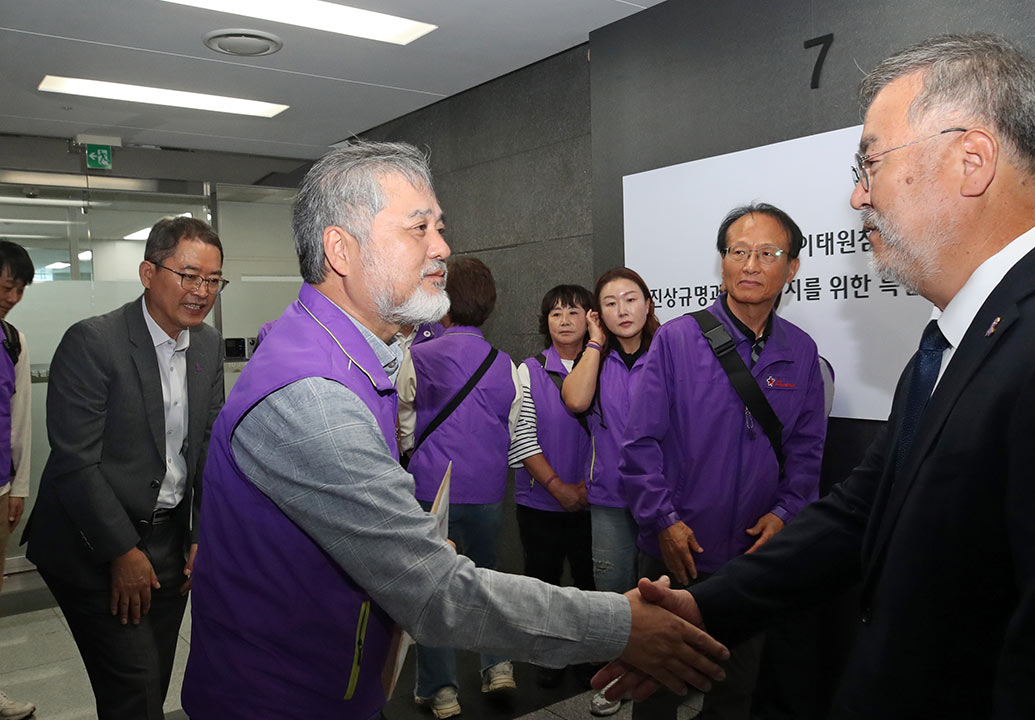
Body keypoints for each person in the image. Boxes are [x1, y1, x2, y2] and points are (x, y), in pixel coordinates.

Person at [598, 32, 1035, 718]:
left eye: (870, 162)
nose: (856, 196)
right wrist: (702, 606)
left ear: (972, 161)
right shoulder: (954, 342)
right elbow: (859, 513)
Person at [181, 141, 727, 720]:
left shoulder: (354, 356)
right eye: (418, 229)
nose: (442, 247)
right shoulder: (313, 394)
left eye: (439, 227)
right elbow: (437, 592)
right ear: (340, 248)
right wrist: (623, 626)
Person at [618, 204, 827, 720]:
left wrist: (787, 515)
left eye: (768, 253)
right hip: (678, 549)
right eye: (739, 252)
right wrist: (663, 521)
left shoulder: (801, 352)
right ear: (722, 262)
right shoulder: (676, 339)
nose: (751, 265)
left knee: (737, 691)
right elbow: (639, 445)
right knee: (658, 687)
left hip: (753, 557)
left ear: (792, 268)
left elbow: (806, 451)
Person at [23, 217, 227, 720]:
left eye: (213, 280)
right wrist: (121, 550)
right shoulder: (94, 342)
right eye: (189, 275)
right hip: (91, 542)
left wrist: (203, 534)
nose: (202, 292)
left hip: (168, 540)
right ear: (147, 272)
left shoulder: (205, 345)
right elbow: (75, 461)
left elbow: (207, 447)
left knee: (153, 680)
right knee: (133, 688)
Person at [397, 256, 520, 717]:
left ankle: (442, 689)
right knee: (486, 577)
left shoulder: (419, 356)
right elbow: (509, 424)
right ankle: (498, 666)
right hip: (487, 487)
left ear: (443, 303)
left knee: (433, 586)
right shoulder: (505, 363)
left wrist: (415, 450)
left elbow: (404, 421)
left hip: (433, 486)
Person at [560, 267, 662, 716]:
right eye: (611, 303)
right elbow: (575, 402)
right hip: (609, 496)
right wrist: (596, 344)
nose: (623, 310)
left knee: (661, 591)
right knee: (613, 598)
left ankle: (660, 679)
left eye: (631, 299)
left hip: (662, 496)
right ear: (598, 314)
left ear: (647, 303)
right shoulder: (594, 357)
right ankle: (618, 680)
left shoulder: (668, 351)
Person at [510, 284, 596, 687]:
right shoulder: (528, 369)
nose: (564, 320)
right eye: (556, 313)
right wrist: (558, 487)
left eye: (574, 312)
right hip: (540, 499)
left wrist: (586, 491)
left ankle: (589, 655)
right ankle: (548, 657)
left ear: (590, 319)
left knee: (589, 584)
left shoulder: (603, 365)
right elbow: (522, 436)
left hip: (596, 502)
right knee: (542, 584)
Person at [0, 241, 35, 720]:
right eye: (7, 284)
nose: (11, 296)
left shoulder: (13, 340)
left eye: (20, 289)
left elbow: (20, 418)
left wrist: (20, 484)